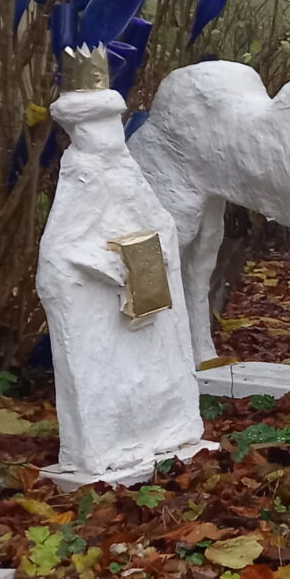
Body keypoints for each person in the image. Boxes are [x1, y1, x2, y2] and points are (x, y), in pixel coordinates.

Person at [37, 47, 206, 481]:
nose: (108, 134)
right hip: (107, 294)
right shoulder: (82, 174)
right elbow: (58, 252)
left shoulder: (125, 169)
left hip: (145, 285)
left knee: (152, 367)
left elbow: (161, 223)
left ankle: (166, 426)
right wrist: (103, 263)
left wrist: (157, 251)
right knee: (113, 373)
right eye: (96, 126)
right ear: (79, 129)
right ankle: (108, 440)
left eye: (111, 123)